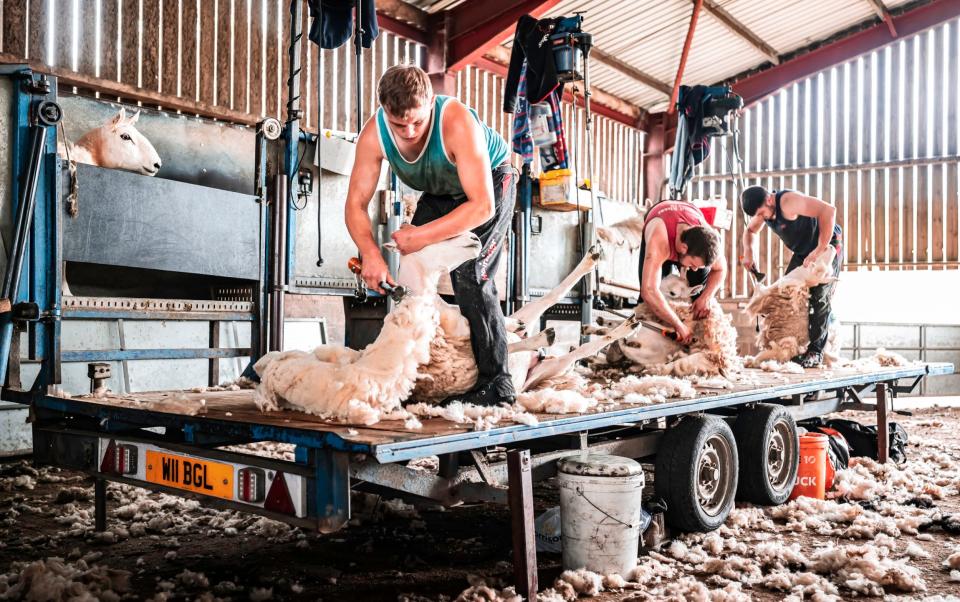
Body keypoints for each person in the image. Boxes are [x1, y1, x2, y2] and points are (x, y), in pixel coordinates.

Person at [344, 65, 516, 407]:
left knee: (472, 275)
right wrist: (371, 255)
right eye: (398, 124)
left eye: (417, 123)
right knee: (412, 276)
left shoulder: (456, 123)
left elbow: (481, 206)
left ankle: (498, 383)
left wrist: (421, 236)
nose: (408, 132)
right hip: (440, 192)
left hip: (490, 185)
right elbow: (355, 204)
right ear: (384, 112)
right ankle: (419, 374)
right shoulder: (374, 134)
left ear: (431, 104)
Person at [740, 185, 843, 368]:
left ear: (769, 200)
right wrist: (748, 252)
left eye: (763, 214)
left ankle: (816, 352)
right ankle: (793, 347)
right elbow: (750, 231)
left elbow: (828, 210)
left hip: (826, 245)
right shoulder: (763, 210)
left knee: (819, 297)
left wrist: (819, 249)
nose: (762, 218)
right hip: (803, 251)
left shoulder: (788, 202)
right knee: (786, 294)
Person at [637, 200, 727, 344]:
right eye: (692, 264)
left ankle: (693, 341)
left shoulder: (705, 242)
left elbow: (721, 269)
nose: (694, 268)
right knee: (649, 300)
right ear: (683, 248)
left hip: (689, 215)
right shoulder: (659, 242)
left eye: (698, 265)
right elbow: (648, 291)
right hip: (662, 222)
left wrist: (705, 298)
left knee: (699, 294)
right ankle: (645, 341)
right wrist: (678, 324)